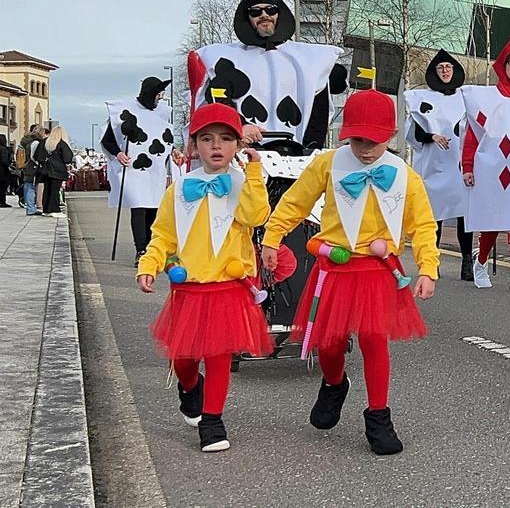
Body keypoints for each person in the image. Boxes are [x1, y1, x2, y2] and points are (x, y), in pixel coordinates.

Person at [262, 89, 437, 456]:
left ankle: (378, 417)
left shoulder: (405, 176)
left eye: (374, 140)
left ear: (389, 135)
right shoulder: (327, 164)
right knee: (329, 344)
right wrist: (272, 238)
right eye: (358, 139)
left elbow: (423, 224)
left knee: (375, 341)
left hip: (378, 271)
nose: (366, 148)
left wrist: (428, 268)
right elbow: (295, 202)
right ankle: (334, 383)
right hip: (335, 268)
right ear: (347, 134)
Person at [136, 103, 274, 453]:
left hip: (229, 288)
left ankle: (213, 421)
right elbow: (162, 236)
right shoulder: (179, 190)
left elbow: (257, 217)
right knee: (183, 357)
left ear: (238, 145)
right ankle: (188, 386)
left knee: (218, 356)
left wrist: (255, 173)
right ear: (193, 145)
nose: (217, 146)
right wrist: (149, 264)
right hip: (190, 289)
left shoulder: (244, 184)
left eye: (226, 139)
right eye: (207, 139)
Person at [188, 0, 347, 148]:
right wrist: (239, 126)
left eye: (270, 10)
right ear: (247, 18)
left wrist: (312, 147)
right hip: (245, 149)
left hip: (296, 152)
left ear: (279, 14)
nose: (264, 15)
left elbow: (318, 106)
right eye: (256, 12)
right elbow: (218, 101)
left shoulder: (307, 60)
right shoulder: (226, 58)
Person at [460, 34, 510, 293]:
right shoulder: (486, 98)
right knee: (493, 221)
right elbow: (473, 134)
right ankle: (481, 263)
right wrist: (469, 166)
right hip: (492, 168)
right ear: (502, 67)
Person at [404, 49, 473, 281]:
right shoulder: (421, 99)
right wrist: (432, 136)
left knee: (465, 214)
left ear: (454, 71)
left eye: (449, 67)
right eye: (441, 68)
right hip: (434, 165)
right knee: (434, 216)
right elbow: (413, 132)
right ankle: (431, 263)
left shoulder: (465, 97)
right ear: (435, 72)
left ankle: (467, 263)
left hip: (459, 165)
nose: (445, 71)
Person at [102, 77, 173, 258]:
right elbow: (108, 140)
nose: (160, 98)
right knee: (139, 206)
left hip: (154, 171)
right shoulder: (123, 111)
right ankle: (141, 248)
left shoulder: (162, 113)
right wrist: (118, 153)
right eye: (158, 94)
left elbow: (166, 143)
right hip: (133, 170)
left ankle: (151, 247)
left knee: (153, 208)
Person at [36, 126, 73, 217]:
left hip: (45, 170)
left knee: (47, 190)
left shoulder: (43, 143)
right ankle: (54, 210)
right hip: (57, 170)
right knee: (54, 190)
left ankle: (46, 209)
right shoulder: (61, 144)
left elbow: (37, 156)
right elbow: (68, 158)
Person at [19, 125, 43, 216]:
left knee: (28, 186)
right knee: (31, 187)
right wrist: (38, 163)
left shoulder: (27, 141)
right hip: (32, 167)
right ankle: (31, 208)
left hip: (27, 166)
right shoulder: (35, 143)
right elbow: (33, 156)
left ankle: (30, 207)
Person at [0, 136, 11, 207]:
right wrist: (9, 165)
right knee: (2, 187)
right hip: (2, 171)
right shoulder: (3, 149)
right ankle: (2, 202)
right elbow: (4, 161)